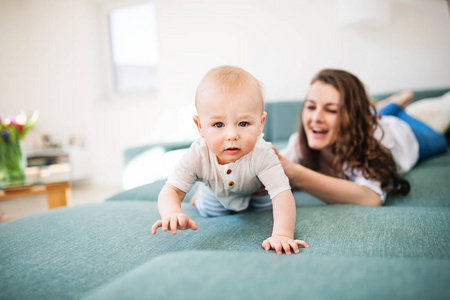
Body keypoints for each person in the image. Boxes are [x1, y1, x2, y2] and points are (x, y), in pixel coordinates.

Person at [152, 66, 309, 255]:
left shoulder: (263, 153)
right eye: (218, 124)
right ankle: (202, 191)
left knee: (267, 206)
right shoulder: (198, 153)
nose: (232, 135)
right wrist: (171, 212)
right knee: (208, 209)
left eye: (243, 124)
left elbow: (281, 194)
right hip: (217, 196)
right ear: (200, 126)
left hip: (256, 191)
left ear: (261, 124)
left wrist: (283, 234)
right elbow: (172, 190)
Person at [275, 69, 448, 206]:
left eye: (331, 110)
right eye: (311, 107)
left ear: (352, 116)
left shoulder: (377, 138)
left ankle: (398, 102)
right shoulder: (300, 142)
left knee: (442, 141)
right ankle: (384, 106)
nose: (315, 118)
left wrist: (298, 175)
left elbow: (372, 197)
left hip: (405, 131)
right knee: (374, 115)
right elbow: (275, 166)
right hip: (371, 119)